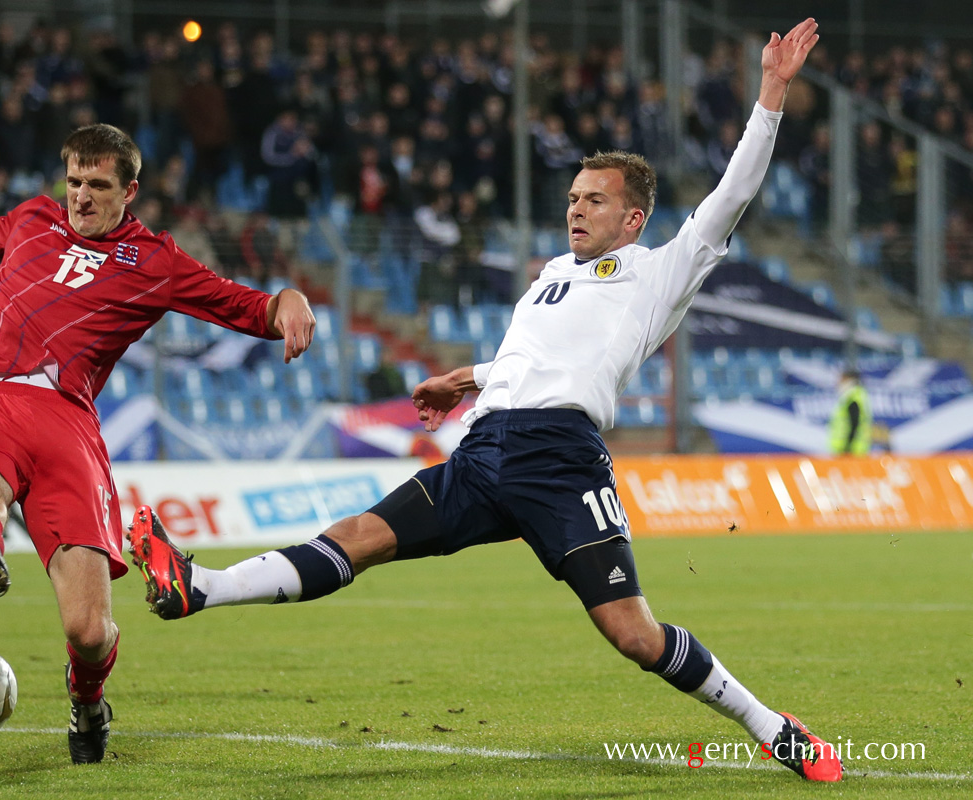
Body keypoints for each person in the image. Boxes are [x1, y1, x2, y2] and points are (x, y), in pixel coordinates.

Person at [128, 20, 844, 783]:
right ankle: (198, 587)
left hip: (560, 460)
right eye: (573, 197)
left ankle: (772, 727)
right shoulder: (547, 274)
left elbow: (734, 190)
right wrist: (466, 378)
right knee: (357, 537)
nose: (576, 209)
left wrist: (771, 91)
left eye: (595, 201)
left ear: (633, 219)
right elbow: (533, 358)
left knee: (634, 636)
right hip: (482, 450)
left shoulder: (662, 268)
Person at [0, 123, 314, 764]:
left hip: (67, 426)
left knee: (89, 631)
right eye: (74, 181)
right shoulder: (32, 217)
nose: (80, 196)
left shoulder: (157, 262)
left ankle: (89, 702)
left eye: (98, 185)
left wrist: (291, 300)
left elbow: (244, 306)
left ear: (130, 190)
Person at [828, 367, 871, 456]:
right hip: (851, 450)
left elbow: (854, 423)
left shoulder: (853, 397)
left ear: (850, 380)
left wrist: (848, 448)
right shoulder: (854, 396)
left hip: (851, 451)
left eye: (842, 378)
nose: (839, 382)